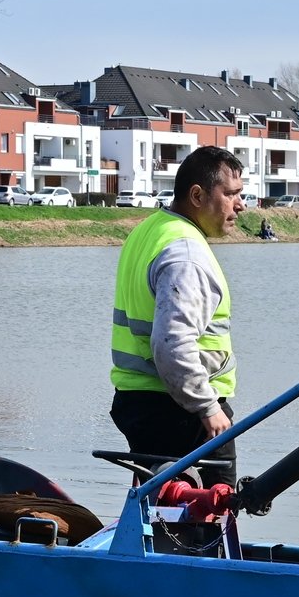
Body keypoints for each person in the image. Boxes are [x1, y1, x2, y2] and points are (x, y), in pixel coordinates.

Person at [109, 146, 246, 486]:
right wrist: (207, 407)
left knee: (157, 509)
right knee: (207, 518)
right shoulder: (185, 253)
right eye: (230, 194)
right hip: (181, 413)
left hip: (141, 402)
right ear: (197, 195)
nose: (240, 205)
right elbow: (172, 343)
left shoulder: (151, 229)